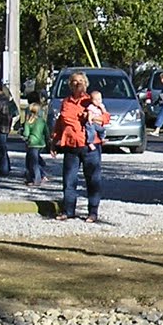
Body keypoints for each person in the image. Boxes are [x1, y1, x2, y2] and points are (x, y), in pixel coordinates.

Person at [50, 70, 108, 221]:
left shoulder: (92, 100)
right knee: (69, 181)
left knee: (93, 180)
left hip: (90, 147)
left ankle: (93, 212)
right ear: (70, 85)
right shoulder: (65, 102)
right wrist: (54, 142)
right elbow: (59, 124)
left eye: (81, 81)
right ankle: (68, 210)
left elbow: (106, 118)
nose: (78, 84)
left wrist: (93, 118)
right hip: (71, 146)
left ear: (86, 84)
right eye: (75, 81)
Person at [18, 99, 49, 186]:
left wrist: (24, 136)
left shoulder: (29, 122)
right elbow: (46, 132)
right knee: (35, 160)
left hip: (32, 143)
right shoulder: (42, 121)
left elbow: (26, 133)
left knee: (33, 163)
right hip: (41, 143)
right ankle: (38, 174)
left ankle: (37, 179)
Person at [0, 80, 16, 176]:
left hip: (1, 126)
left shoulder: (1, 100)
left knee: (0, 148)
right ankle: (6, 167)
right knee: (3, 147)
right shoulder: (6, 99)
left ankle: (3, 169)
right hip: (5, 126)